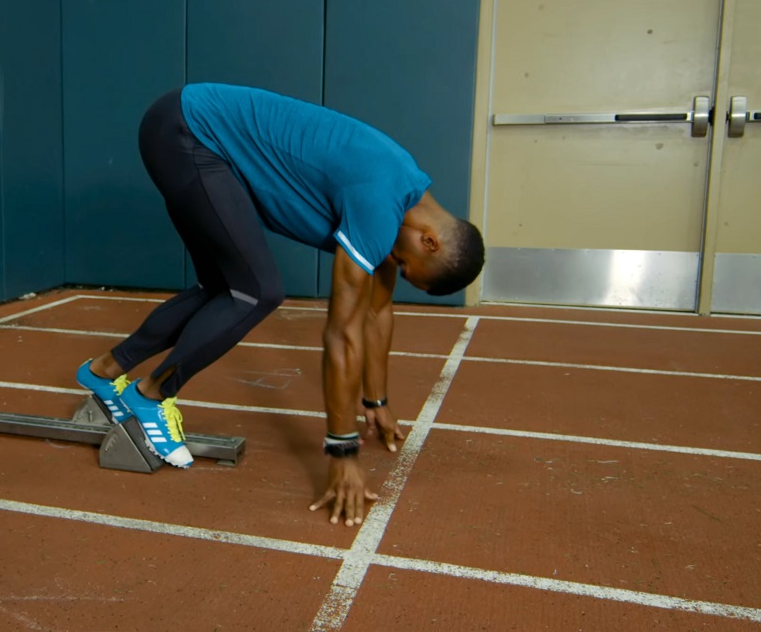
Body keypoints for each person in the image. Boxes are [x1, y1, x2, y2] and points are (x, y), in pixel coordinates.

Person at [75, 83, 484, 528]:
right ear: (429, 241)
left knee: (223, 287)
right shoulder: (380, 201)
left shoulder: (405, 197)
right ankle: (151, 396)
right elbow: (343, 331)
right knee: (257, 292)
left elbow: (377, 310)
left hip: (183, 126)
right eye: (404, 264)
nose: (394, 267)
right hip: (187, 133)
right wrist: (342, 449)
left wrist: (376, 399)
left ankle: (103, 371)